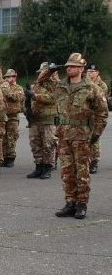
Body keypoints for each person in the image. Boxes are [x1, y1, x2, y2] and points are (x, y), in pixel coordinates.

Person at [54, 53, 108, 219]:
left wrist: (96, 134)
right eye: (68, 66)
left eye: (73, 66)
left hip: (82, 136)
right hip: (64, 136)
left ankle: (82, 204)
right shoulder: (61, 86)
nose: (69, 68)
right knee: (67, 171)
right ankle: (70, 201)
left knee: (82, 171)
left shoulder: (92, 88)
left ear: (81, 69)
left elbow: (102, 113)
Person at [27, 62, 60, 179]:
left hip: (49, 119)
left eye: (43, 72)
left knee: (49, 144)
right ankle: (38, 166)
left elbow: (52, 98)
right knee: (35, 143)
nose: (41, 74)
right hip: (36, 118)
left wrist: (35, 96)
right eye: (40, 72)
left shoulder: (56, 84)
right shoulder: (37, 84)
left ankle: (47, 167)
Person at [86, 64, 108, 174]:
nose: (90, 73)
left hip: (95, 116)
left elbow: (99, 101)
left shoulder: (102, 85)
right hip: (85, 116)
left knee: (94, 140)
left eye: (92, 71)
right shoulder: (84, 83)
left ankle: (94, 162)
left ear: (97, 73)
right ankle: (86, 161)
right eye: (89, 71)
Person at [1, 69, 24, 168]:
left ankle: (10, 157)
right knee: (3, 137)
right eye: (6, 77)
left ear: (15, 77)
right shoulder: (2, 87)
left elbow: (15, 97)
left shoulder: (18, 88)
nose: (8, 79)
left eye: (11, 77)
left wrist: (6, 89)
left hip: (13, 116)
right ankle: (3, 156)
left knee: (11, 137)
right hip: (3, 115)